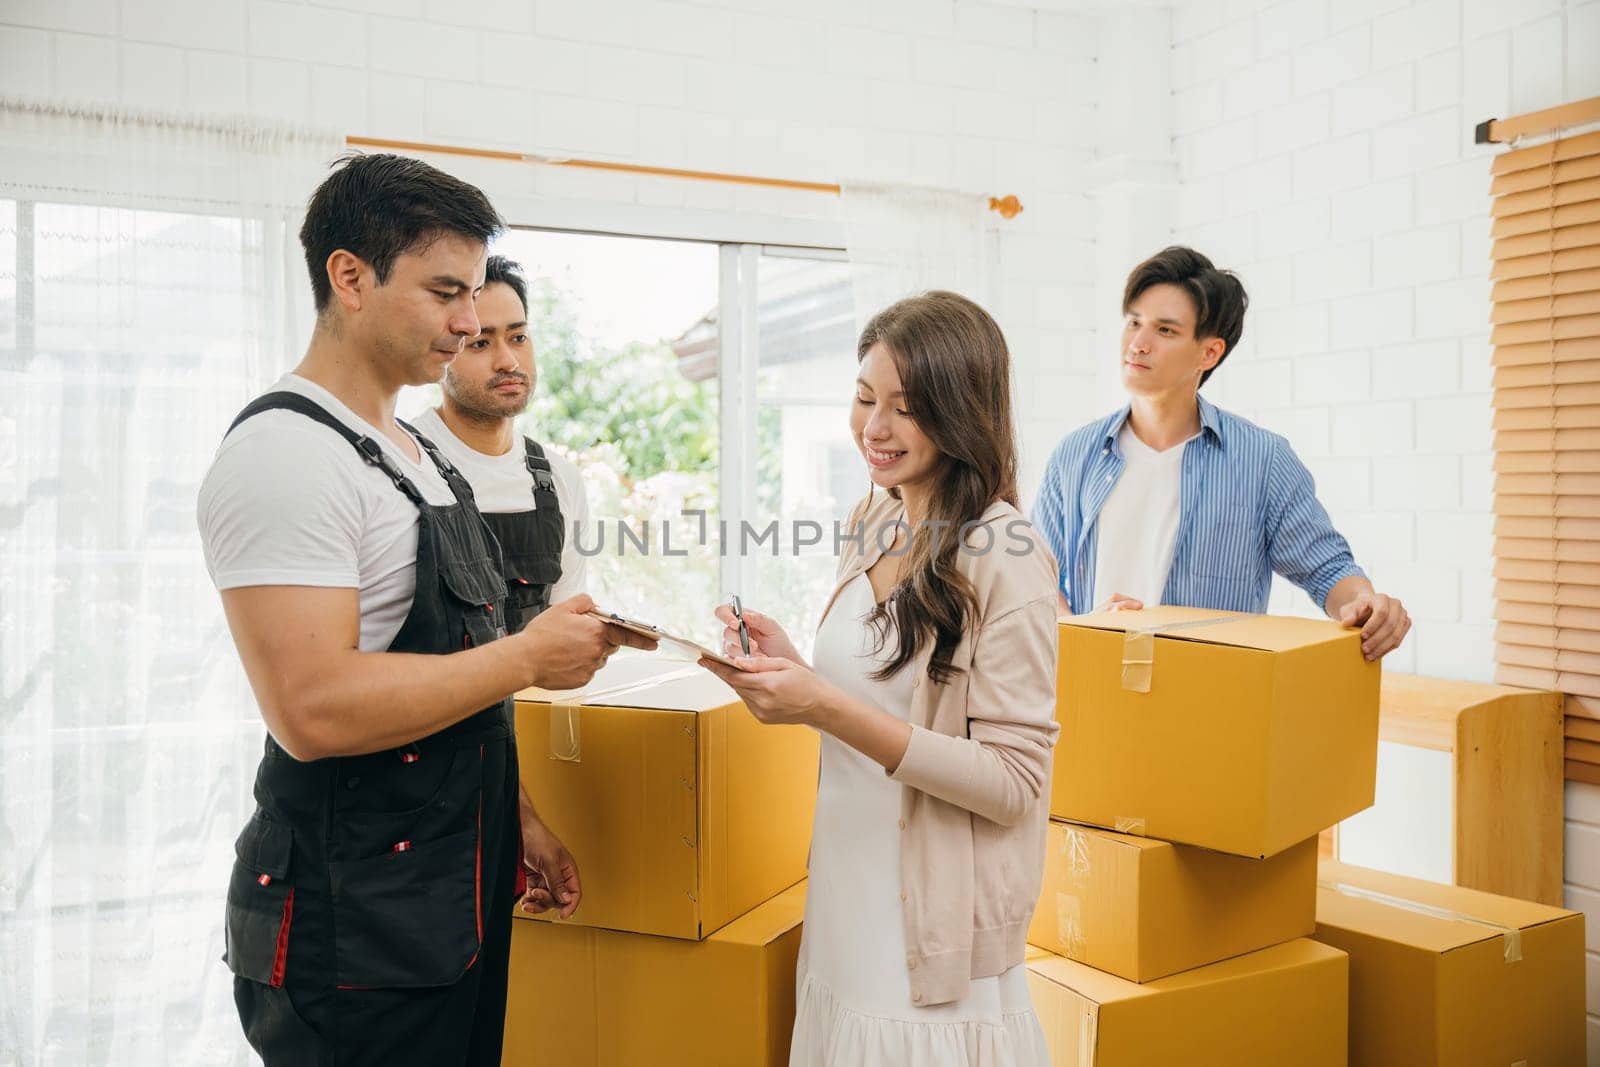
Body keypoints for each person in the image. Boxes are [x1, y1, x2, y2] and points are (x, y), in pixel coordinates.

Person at [197, 152, 652, 1066]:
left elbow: (451, 668)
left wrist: (513, 814)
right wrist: (527, 659)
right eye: (447, 291)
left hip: (450, 896)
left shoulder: (411, 451)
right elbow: (313, 710)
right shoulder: (287, 453)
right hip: (350, 925)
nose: (468, 320)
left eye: (477, 293)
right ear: (350, 276)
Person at [699, 291, 1058, 1065]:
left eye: (907, 406)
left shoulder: (1006, 551)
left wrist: (824, 705)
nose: (874, 427)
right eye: (864, 398)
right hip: (845, 891)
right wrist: (791, 667)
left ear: (962, 411)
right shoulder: (875, 517)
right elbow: (873, 689)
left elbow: (1013, 780)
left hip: (925, 918)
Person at [1031, 245, 1412, 661]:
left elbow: (1329, 570)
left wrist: (1366, 605)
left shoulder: (1262, 460)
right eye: (1134, 322)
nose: (1137, 344)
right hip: (1093, 687)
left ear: (1209, 352)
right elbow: (1036, 586)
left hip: (1211, 696)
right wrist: (1084, 629)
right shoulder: (1074, 456)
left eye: (1165, 330)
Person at [409, 254, 591, 634]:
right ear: (442, 351)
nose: (508, 361)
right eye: (480, 343)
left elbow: (568, 627)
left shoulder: (559, 479)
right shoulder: (405, 462)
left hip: (535, 695)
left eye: (518, 338)